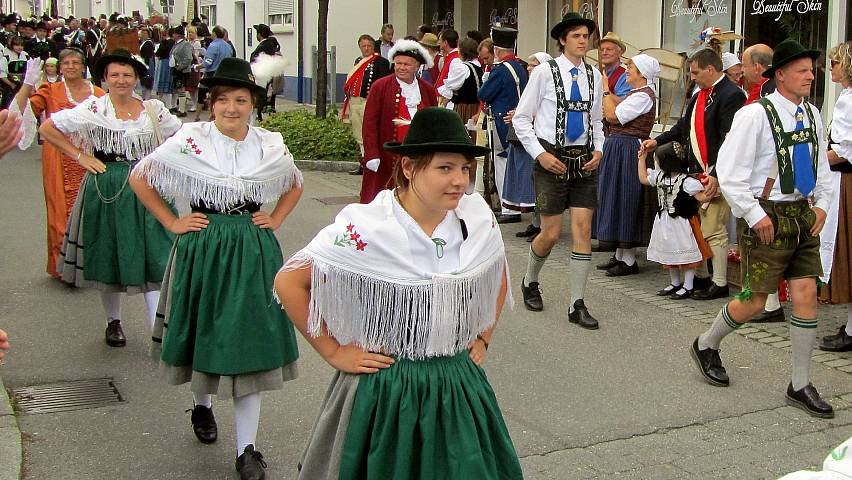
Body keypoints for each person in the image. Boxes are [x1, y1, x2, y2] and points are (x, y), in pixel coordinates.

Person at [275, 107, 523, 480]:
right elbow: (289, 282)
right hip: (386, 390)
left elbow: (495, 271)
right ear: (409, 168)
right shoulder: (367, 227)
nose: (458, 180)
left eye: (464, 169)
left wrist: (484, 335)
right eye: (445, 168)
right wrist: (334, 350)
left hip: (455, 386)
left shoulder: (475, 217)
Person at [131, 57, 302, 480]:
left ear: (253, 103)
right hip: (203, 246)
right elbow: (140, 177)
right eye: (222, 99)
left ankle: (247, 450)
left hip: (252, 248)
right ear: (211, 103)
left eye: (240, 100)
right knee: (203, 331)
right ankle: (203, 406)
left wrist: (276, 219)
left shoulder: (269, 144)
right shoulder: (191, 139)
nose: (230, 108)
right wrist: (172, 221)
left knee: (250, 345)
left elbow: (294, 183)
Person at [691, 39, 836, 418]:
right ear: (781, 75)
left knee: (805, 293)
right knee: (755, 299)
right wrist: (756, 216)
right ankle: (706, 343)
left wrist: (822, 204)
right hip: (765, 214)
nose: (810, 75)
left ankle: (800, 383)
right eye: (802, 70)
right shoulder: (754, 115)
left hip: (802, 215)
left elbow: (821, 166)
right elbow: (732, 173)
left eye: (811, 69)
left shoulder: (813, 115)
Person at [38, 49, 181, 347]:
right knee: (109, 255)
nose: (121, 80)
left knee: (155, 257)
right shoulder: (94, 109)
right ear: (104, 79)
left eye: (127, 75)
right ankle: (113, 322)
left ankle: (160, 330)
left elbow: (180, 138)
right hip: (107, 186)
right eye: (114, 75)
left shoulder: (153, 110)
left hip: (148, 185)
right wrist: (80, 156)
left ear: (136, 79)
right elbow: (48, 127)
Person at [512, 12, 604, 329]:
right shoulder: (544, 73)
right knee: (550, 234)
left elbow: (596, 122)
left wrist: (599, 149)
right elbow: (521, 119)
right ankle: (529, 280)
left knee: (582, 231)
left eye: (586, 35)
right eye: (576, 35)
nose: (583, 40)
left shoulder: (595, 75)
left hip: (583, 162)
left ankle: (576, 304)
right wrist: (540, 154)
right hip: (551, 159)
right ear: (563, 40)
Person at [641, 48, 746, 300]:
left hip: (715, 171)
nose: (692, 77)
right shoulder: (700, 94)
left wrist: (718, 173)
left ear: (711, 69)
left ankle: (720, 282)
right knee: (695, 226)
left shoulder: (731, 94)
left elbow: (727, 138)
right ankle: (701, 277)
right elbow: (682, 128)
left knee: (713, 229)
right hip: (695, 170)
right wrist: (657, 141)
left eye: (696, 72)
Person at [11, 50, 104, 278]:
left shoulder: (99, 94)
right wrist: (26, 85)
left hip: (90, 158)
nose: (71, 66)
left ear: (83, 66)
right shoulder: (50, 91)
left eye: (75, 62)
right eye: (66, 63)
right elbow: (20, 113)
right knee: (60, 213)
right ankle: (64, 267)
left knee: (92, 212)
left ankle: (91, 265)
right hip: (58, 158)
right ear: (60, 67)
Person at [594, 53, 659, 276]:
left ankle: (629, 260)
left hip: (630, 149)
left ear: (641, 73)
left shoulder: (644, 96)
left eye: (630, 66)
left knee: (627, 198)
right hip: (620, 147)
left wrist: (604, 88)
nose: (627, 70)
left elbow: (612, 116)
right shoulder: (636, 94)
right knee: (616, 196)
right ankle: (621, 255)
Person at [360, 39, 437, 203]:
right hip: (388, 158)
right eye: (398, 63)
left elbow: (433, 123)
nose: (401, 67)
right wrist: (372, 153)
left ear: (417, 67)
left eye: (406, 64)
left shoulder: (427, 90)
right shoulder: (380, 86)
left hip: (419, 157)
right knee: (384, 199)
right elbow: (369, 123)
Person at [638, 141, 711, 298]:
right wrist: (641, 159)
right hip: (664, 222)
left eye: (658, 160)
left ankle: (688, 285)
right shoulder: (660, 177)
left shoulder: (687, 182)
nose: (656, 163)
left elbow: (702, 197)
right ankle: (675, 282)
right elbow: (643, 178)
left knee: (686, 254)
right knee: (669, 251)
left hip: (682, 223)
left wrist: (713, 190)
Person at [818, 41, 852, 352]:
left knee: (846, 254)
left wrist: (812, 161)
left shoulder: (848, 99)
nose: (831, 69)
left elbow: (842, 151)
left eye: (835, 63)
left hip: (847, 184)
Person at [478, 27, 527, 224]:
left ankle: (508, 207)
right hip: (516, 119)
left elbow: (483, 94)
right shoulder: (520, 67)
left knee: (502, 163)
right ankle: (511, 205)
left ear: (496, 50)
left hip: (501, 120)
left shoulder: (500, 70)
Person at [342, 33, 391, 168]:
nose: (366, 48)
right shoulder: (358, 61)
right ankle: (363, 160)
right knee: (358, 133)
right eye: (363, 46)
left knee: (368, 132)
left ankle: (371, 158)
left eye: (369, 46)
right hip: (355, 102)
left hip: (368, 102)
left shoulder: (381, 62)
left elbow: (383, 84)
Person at [437, 37, 482, 138]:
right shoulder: (478, 66)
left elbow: (450, 87)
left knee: (460, 136)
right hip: (475, 106)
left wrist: (443, 104)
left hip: (464, 108)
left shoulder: (462, 68)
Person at [196, 25, 233, 120]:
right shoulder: (228, 46)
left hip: (211, 74)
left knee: (203, 94)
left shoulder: (213, 45)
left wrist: (197, 66)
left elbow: (208, 62)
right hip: (224, 73)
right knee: (219, 95)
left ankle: (198, 116)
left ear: (215, 34)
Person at [250, 23, 281, 120]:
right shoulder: (267, 45)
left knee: (259, 95)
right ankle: (258, 113)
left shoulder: (265, 46)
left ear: (259, 34)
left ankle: (258, 114)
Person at [169, 25, 193, 118]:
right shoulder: (176, 44)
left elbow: (188, 58)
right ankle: (179, 108)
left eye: (174, 33)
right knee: (178, 89)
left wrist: (180, 66)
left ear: (177, 35)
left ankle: (182, 110)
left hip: (182, 71)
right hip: (176, 70)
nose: (173, 35)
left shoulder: (185, 44)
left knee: (181, 89)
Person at [598, 32, 630, 99]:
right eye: (601, 50)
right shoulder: (596, 71)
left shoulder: (626, 74)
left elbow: (622, 104)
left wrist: (603, 88)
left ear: (620, 53)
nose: (604, 53)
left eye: (609, 49)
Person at [1, 37, 30, 108]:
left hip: (23, 85)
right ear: (12, 46)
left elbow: (30, 70)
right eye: (17, 45)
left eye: (21, 45)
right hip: (10, 87)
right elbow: (2, 74)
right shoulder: (6, 57)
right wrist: (11, 85)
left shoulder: (26, 56)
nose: (19, 47)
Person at [154, 29, 174, 108]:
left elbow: (159, 52)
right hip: (171, 63)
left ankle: (167, 105)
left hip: (164, 63)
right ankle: (172, 104)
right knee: (170, 84)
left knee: (163, 82)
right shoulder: (175, 43)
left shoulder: (165, 42)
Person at [139, 27, 156, 100]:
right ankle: (144, 97)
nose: (143, 34)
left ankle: (147, 98)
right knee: (144, 82)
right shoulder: (143, 42)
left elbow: (148, 55)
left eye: (145, 33)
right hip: (143, 61)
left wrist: (146, 65)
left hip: (148, 62)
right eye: (142, 33)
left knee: (147, 81)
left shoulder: (148, 43)